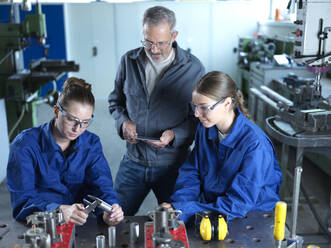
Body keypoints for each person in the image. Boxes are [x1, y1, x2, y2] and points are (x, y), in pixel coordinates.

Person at [108, 6, 205, 215]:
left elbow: (200, 119)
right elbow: (115, 102)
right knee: (113, 218)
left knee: (177, 224)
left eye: (161, 43)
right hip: (134, 161)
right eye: (148, 41)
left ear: (174, 35)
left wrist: (174, 135)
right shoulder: (129, 61)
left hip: (173, 165)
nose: (153, 49)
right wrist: (123, 122)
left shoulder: (193, 69)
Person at [161, 71, 282, 223]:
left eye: (204, 107)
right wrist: (180, 206)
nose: (197, 114)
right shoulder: (205, 129)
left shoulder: (255, 144)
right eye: (195, 106)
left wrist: (186, 211)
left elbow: (238, 203)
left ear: (226, 103)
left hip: (250, 215)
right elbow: (192, 171)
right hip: (213, 207)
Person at [7, 77, 124, 226]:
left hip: (81, 222)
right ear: (56, 111)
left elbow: (102, 186)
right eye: (71, 119)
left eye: (85, 122)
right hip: (42, 225)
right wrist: (58, 210)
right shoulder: (24, 145)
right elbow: (22, 203)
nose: (77, 128)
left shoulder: (91, 143)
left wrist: (110, 209)